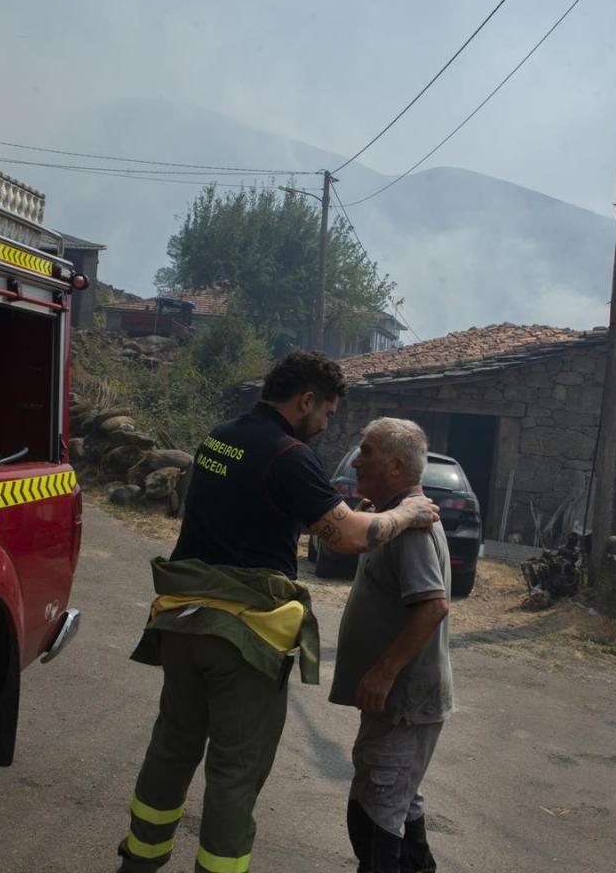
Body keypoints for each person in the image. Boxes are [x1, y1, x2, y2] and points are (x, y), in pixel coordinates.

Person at [116, 352, 441, 873]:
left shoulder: (221, 435)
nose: (328, 425)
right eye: (329, 413)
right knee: (234, 770)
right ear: (306, 401)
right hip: (241, 637)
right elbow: (350, 537)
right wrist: (408, 511)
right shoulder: (288, 455)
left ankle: (140, 858)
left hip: (180, 620)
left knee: (171, 748)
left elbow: (269, 511)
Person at [329, 418, 453, 873]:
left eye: (367, 452)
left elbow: (432, 607)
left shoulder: (413, 527)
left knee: (376, 819)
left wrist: (383, 673)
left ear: (397, 466)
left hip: (403, 701)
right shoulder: (395, 516)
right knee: (398, 804)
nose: (357, 461)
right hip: (397, 704)